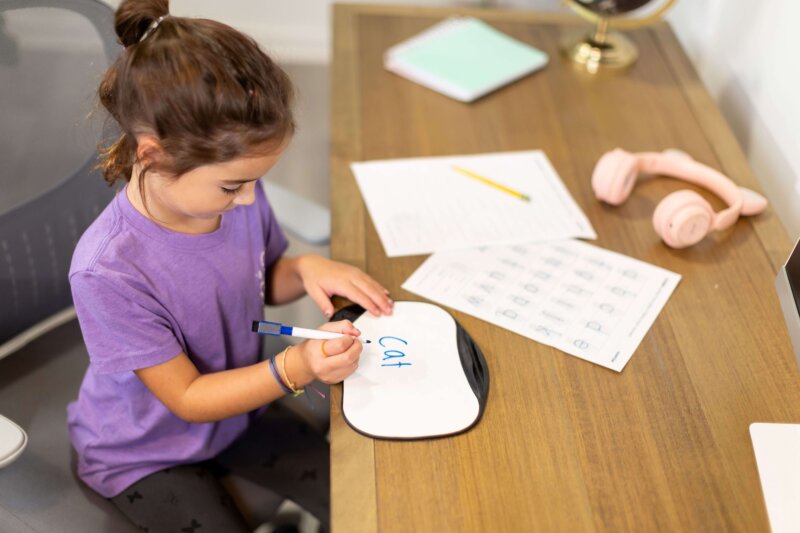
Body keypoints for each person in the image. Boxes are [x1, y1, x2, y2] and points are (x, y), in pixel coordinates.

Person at [66, 1, 393, 531]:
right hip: (146, 452)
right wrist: (298, 367)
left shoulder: (234, 196)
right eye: (231, 186)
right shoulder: (108, 271)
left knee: (362, 498)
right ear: (152, 155)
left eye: (252, 182)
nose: (247, 200)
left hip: (238, 412)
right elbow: (188, 398)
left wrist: (305, 268)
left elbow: (260, 281)